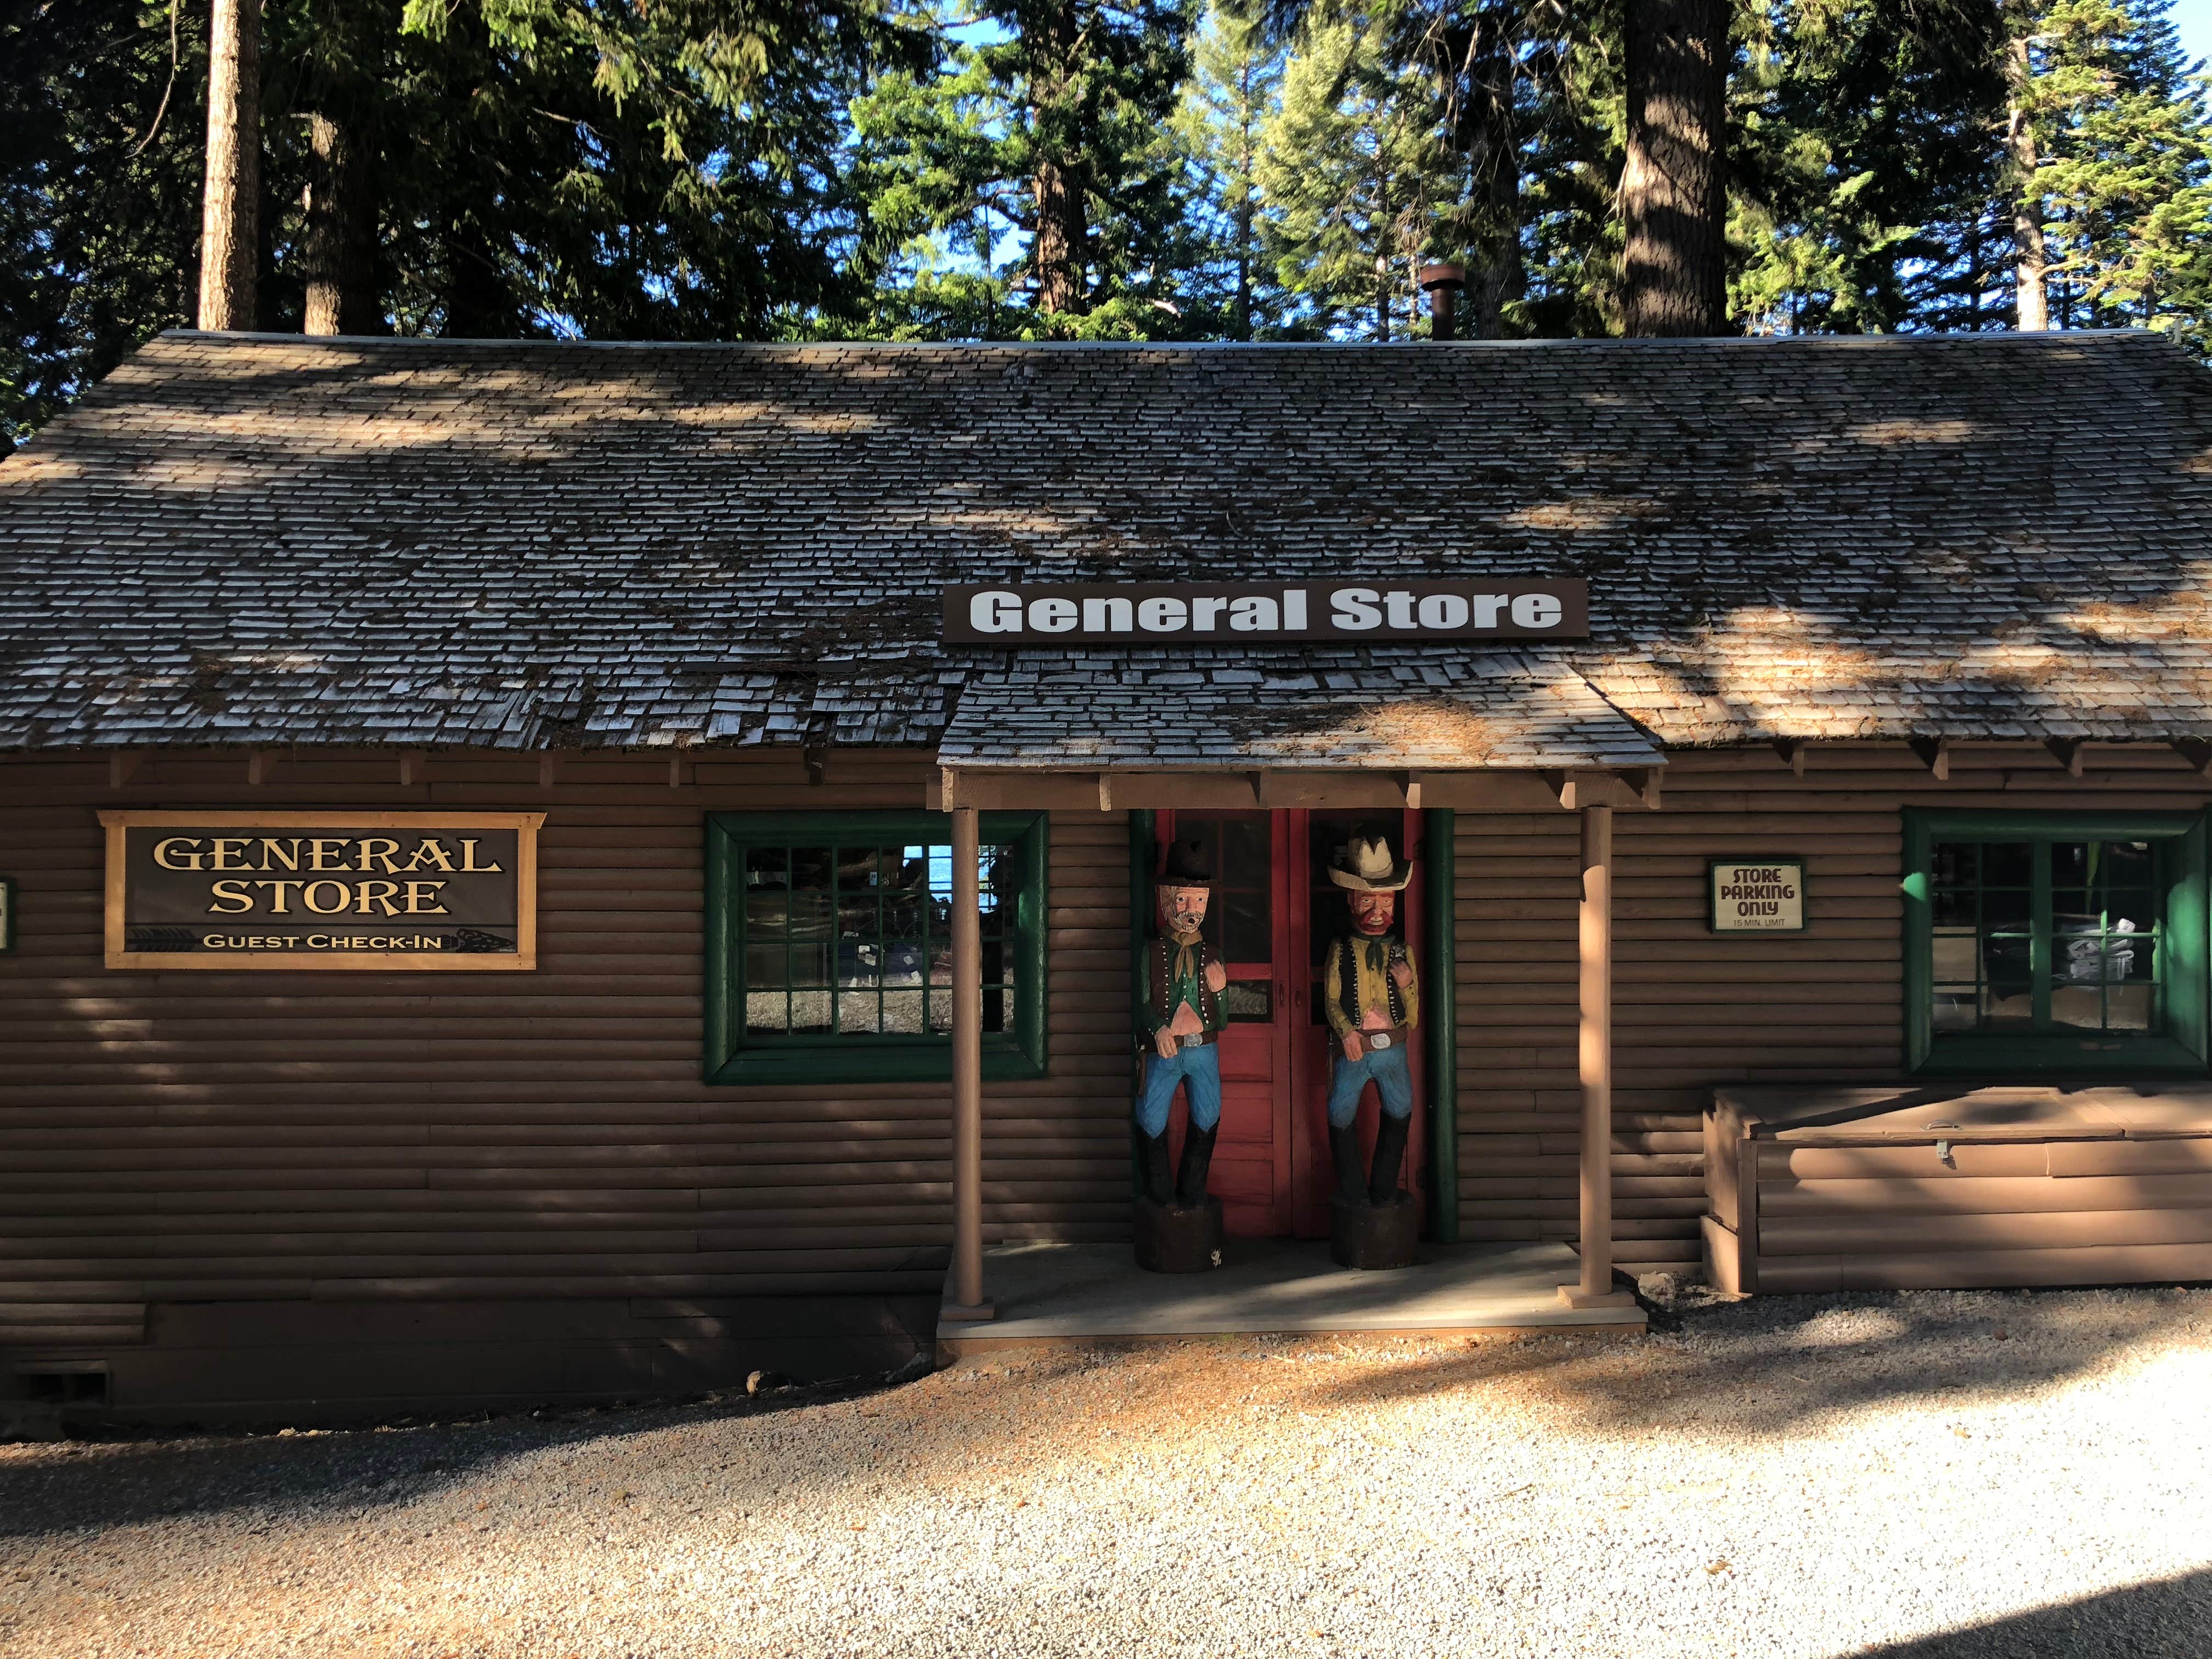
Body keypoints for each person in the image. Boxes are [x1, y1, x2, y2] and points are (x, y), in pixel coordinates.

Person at [1323, 826, 1420, 1207]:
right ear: (1352, 900)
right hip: (1355, 1048)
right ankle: (1353, 1193)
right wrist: (1346, 1032)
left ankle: (1382, 1189)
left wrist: (1408, 983)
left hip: (1392, 1050)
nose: (1378, 911)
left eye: (1386, 901)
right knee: (1340, 1113)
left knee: (1400, 1112)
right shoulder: (1342, 948)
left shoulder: (1403, 950)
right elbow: (1331, 1000)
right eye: (1368, 901)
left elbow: (1412, 1017)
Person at [1133, 837, 1229, 1210]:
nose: (1191, 910)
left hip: (1203, 1052)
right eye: (1182, 899)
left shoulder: (1215, 955)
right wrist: (1158, 1027)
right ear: (1165, 901)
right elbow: (1141, 1001)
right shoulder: (1152, 952)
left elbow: (1222, 1020)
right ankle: (1160, 1199)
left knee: (1208, 1115)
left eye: (1199, 900)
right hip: (1165, 1051)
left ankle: (1193, 1192)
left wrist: (1221, 993)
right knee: (1152, 1118)